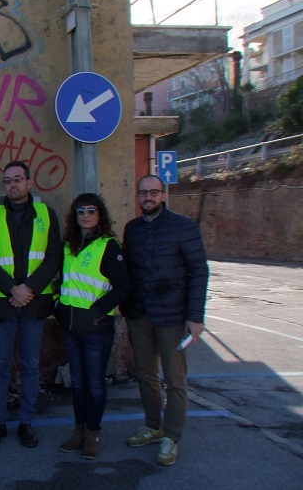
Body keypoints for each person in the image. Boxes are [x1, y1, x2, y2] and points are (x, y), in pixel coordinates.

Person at [123, 175, 209, 466]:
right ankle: (153, 425)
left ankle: (172, 438)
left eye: (153, 192)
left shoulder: (183, 227)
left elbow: (199, 271)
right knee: (146, 375)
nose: (148, 197)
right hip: (140, 314)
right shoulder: (132, 229)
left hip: (173, 317)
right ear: (138, 196)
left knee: (175, 380)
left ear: (163, 194)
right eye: (143, 193)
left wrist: (195, 317)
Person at [0, 160, 62, 448]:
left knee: (30, 364)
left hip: (34, 303)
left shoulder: (46, 214)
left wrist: (29, 289)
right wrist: (12, 288)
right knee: (0, 364)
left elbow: (53, 257)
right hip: (2, 302)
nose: (12, 184)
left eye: (17, 179)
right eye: (7, 180)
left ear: (28, 182)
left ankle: (26, 422)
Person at [56, 193, 129, 459]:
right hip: (70, 326)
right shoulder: (67, 245)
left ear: (100, 215)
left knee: (94, 382)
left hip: (97, 328)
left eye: (91, 210)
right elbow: (61, 280)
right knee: (77, 382)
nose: (85, 215)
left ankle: (92, 434)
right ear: (74, 216)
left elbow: (123, 287)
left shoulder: (109, 246)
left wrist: (98, 310)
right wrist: (58, 305)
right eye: (80, 211)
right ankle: (77, 431)